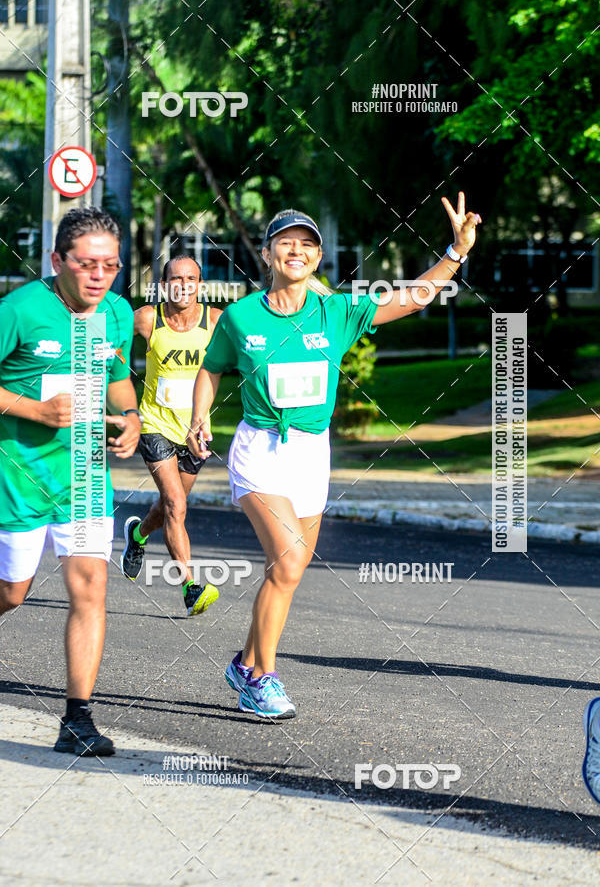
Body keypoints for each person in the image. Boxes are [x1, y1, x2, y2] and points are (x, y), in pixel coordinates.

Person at [187, 195, 481, 720]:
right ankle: (261, 679)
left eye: (306, 244)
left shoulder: (337, 311)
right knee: (290, 559)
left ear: (317, 258)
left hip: (311, 455)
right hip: (260, 451)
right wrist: (199, 416)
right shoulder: (239, 317)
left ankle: (244, 661)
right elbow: (211, 368)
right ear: (268, 253)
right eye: (285, 243)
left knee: (289, 571)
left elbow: (412, 299)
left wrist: (456, 252)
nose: (295, 251)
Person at [0, 206, 140, 754]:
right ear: (58, 260)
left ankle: (77, 722)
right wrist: (33, 411)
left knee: (90, 589)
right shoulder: (19, 309)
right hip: (19, 476)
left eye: (110, 265)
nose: (99, 276)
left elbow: (119, 382)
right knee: (12, 593)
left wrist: (129, 421)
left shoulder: (117, 315)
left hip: (83, 477)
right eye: (86, 265)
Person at [120, 255, 221, 616]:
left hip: (196, 431)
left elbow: (245, 357)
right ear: (163, 286)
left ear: (200, 285)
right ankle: (191, 588)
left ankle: (137, 535)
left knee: (167, 508)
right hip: (155, 425)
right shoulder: (149, 318)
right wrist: (120, 386)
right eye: (175, 279)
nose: (183, 285)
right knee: (177, 505)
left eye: (191, 279)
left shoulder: (214, 321)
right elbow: (112, 341)